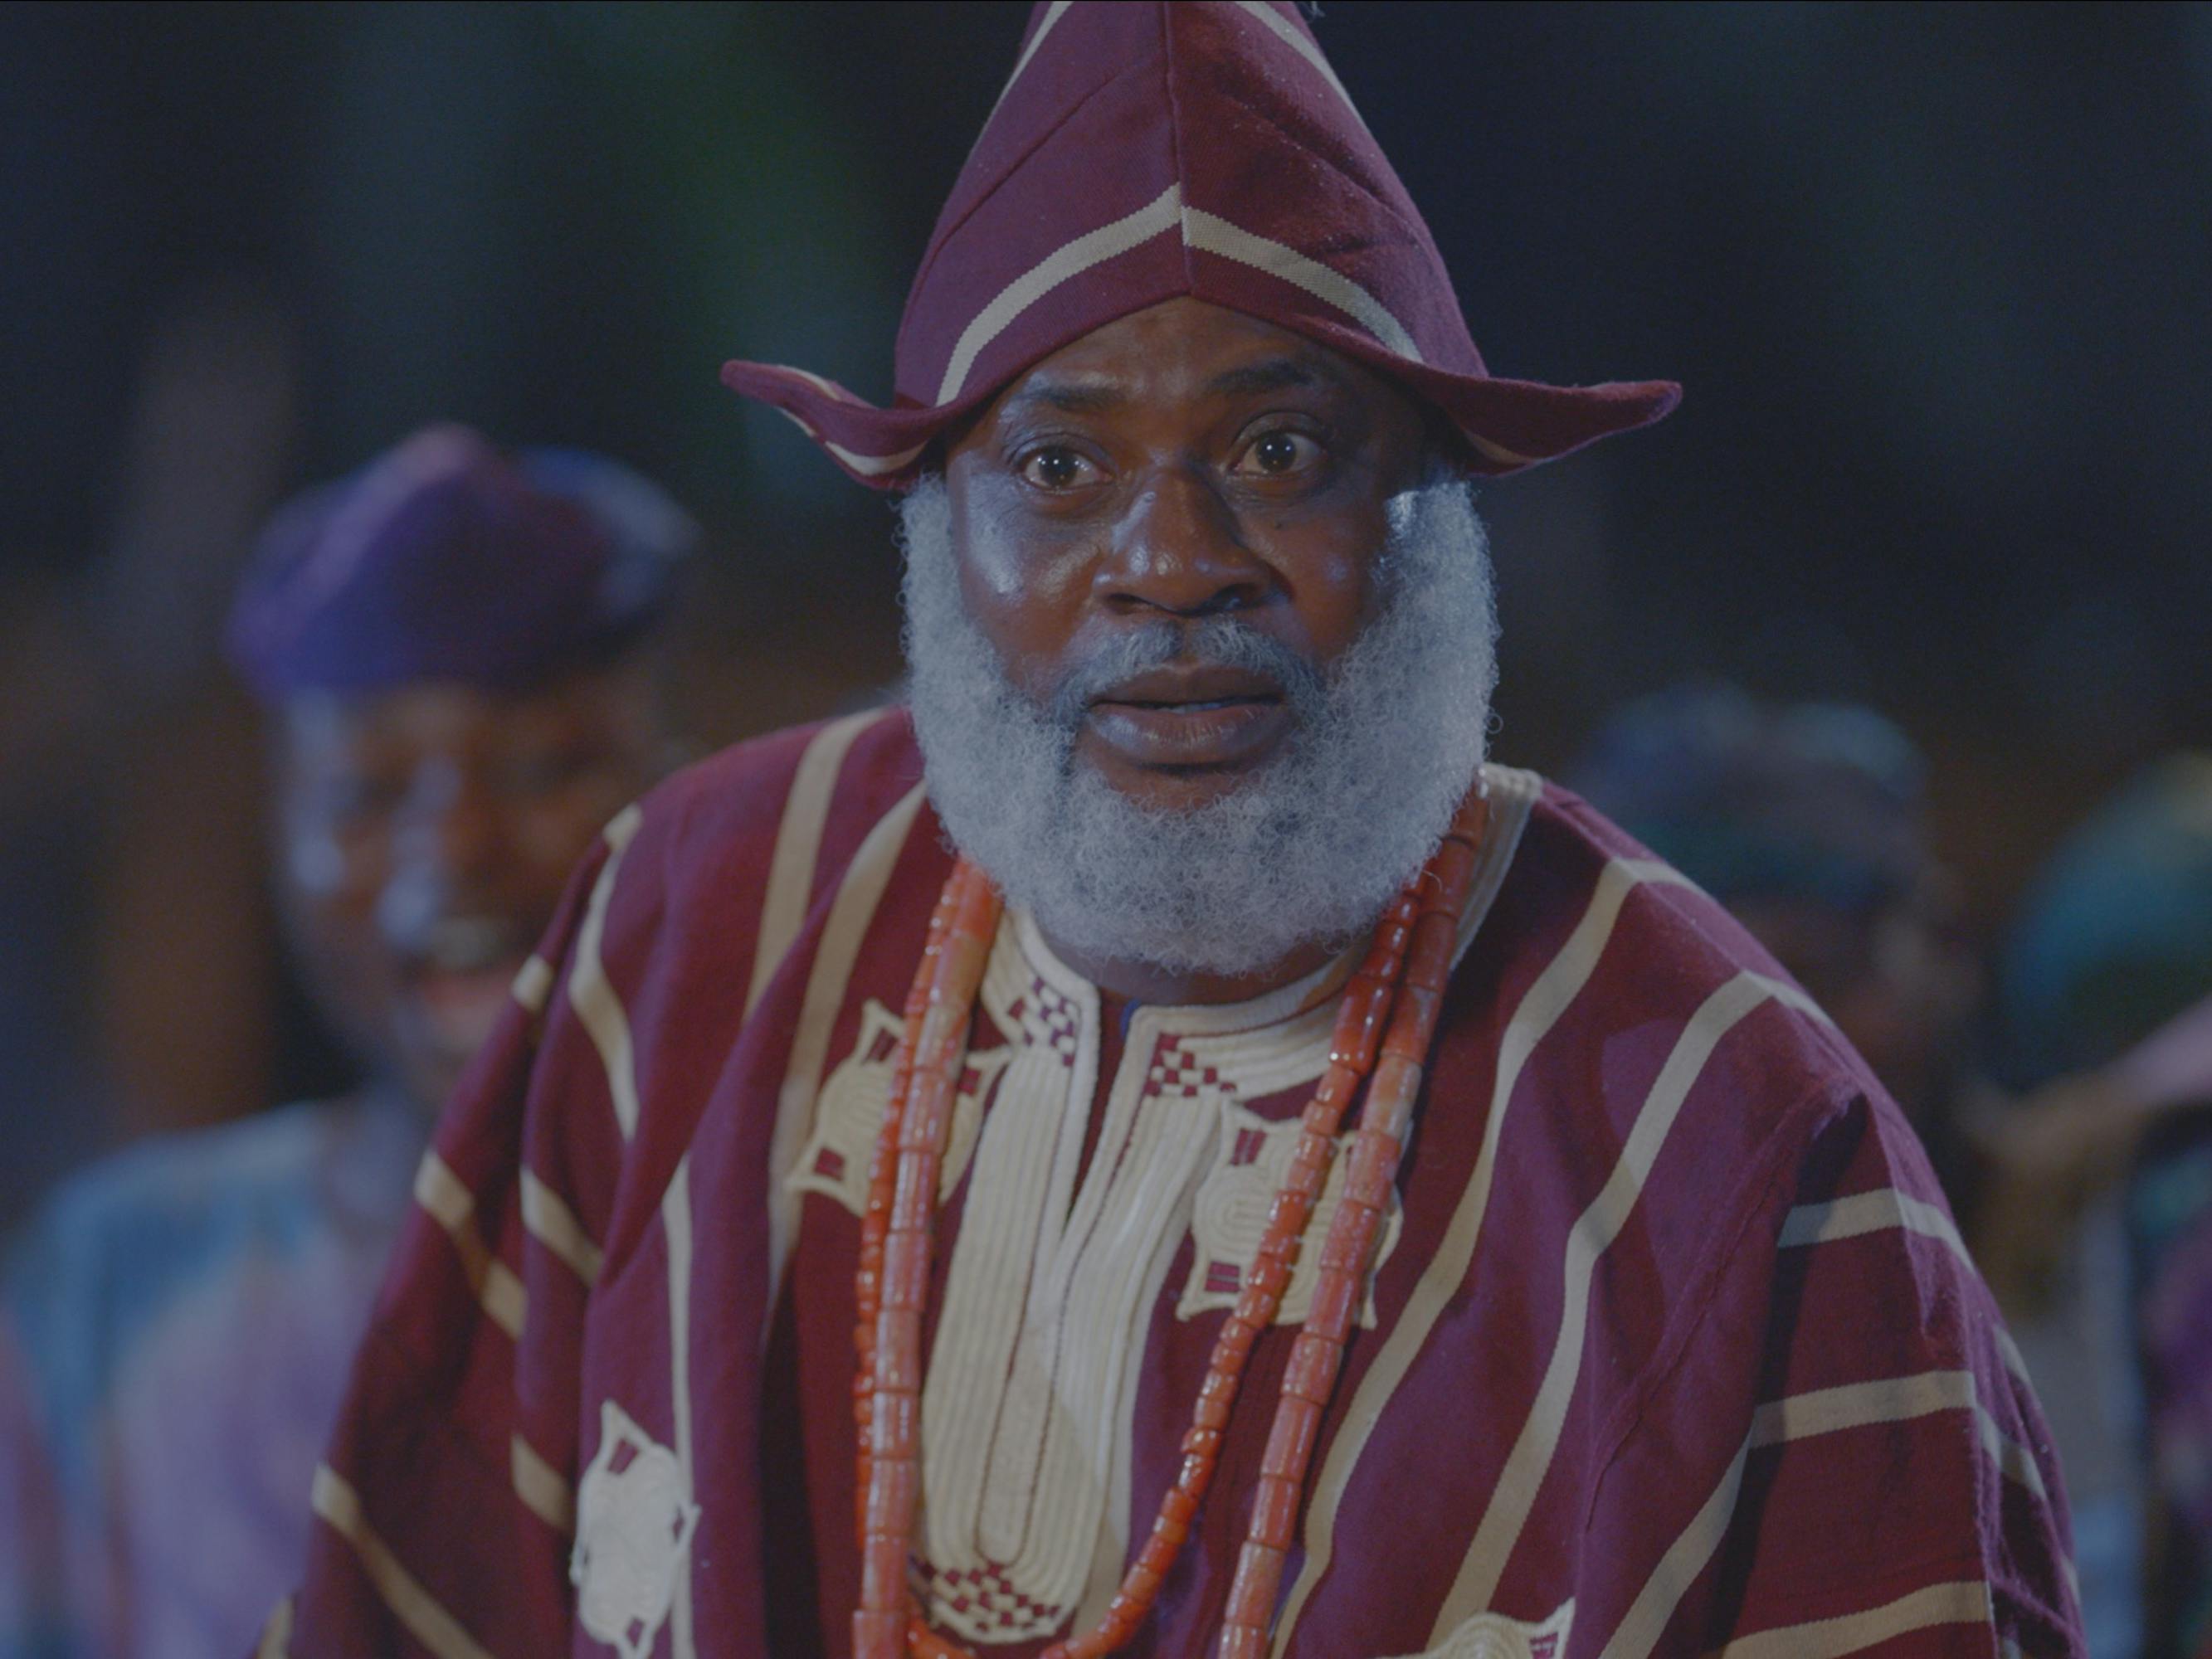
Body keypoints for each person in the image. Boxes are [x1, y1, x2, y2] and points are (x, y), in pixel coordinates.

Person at [279, 7, 2083, 1657]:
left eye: (1282, 450)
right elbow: (415, 1601)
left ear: (1437, 513)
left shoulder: (1717, 1118)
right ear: (936, 528)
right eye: (1060, 469)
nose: (1171, 559)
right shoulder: (696, 918)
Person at [0, 426, 691, 1658]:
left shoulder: (770, 1235)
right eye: (368, 795)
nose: (454, 849)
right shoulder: (120, 1276)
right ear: (279, 834)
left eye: (541, 771)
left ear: (680, 790)